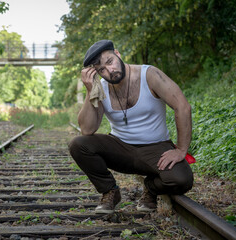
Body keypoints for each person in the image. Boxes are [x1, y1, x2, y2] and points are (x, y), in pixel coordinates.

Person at [68, 40, 194, 214]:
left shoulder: (149, 74)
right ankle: (110, 191)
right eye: (101, 70)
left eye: (110, 62)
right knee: (78, 144)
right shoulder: (101, 88)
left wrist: (181, 149)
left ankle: (151, 187)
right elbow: (87, 130)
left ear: (118, 54)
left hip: (156, 148)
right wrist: (90, 91)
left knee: (182, 180)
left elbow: (183, 106)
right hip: (121, 148)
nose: (109, 71)